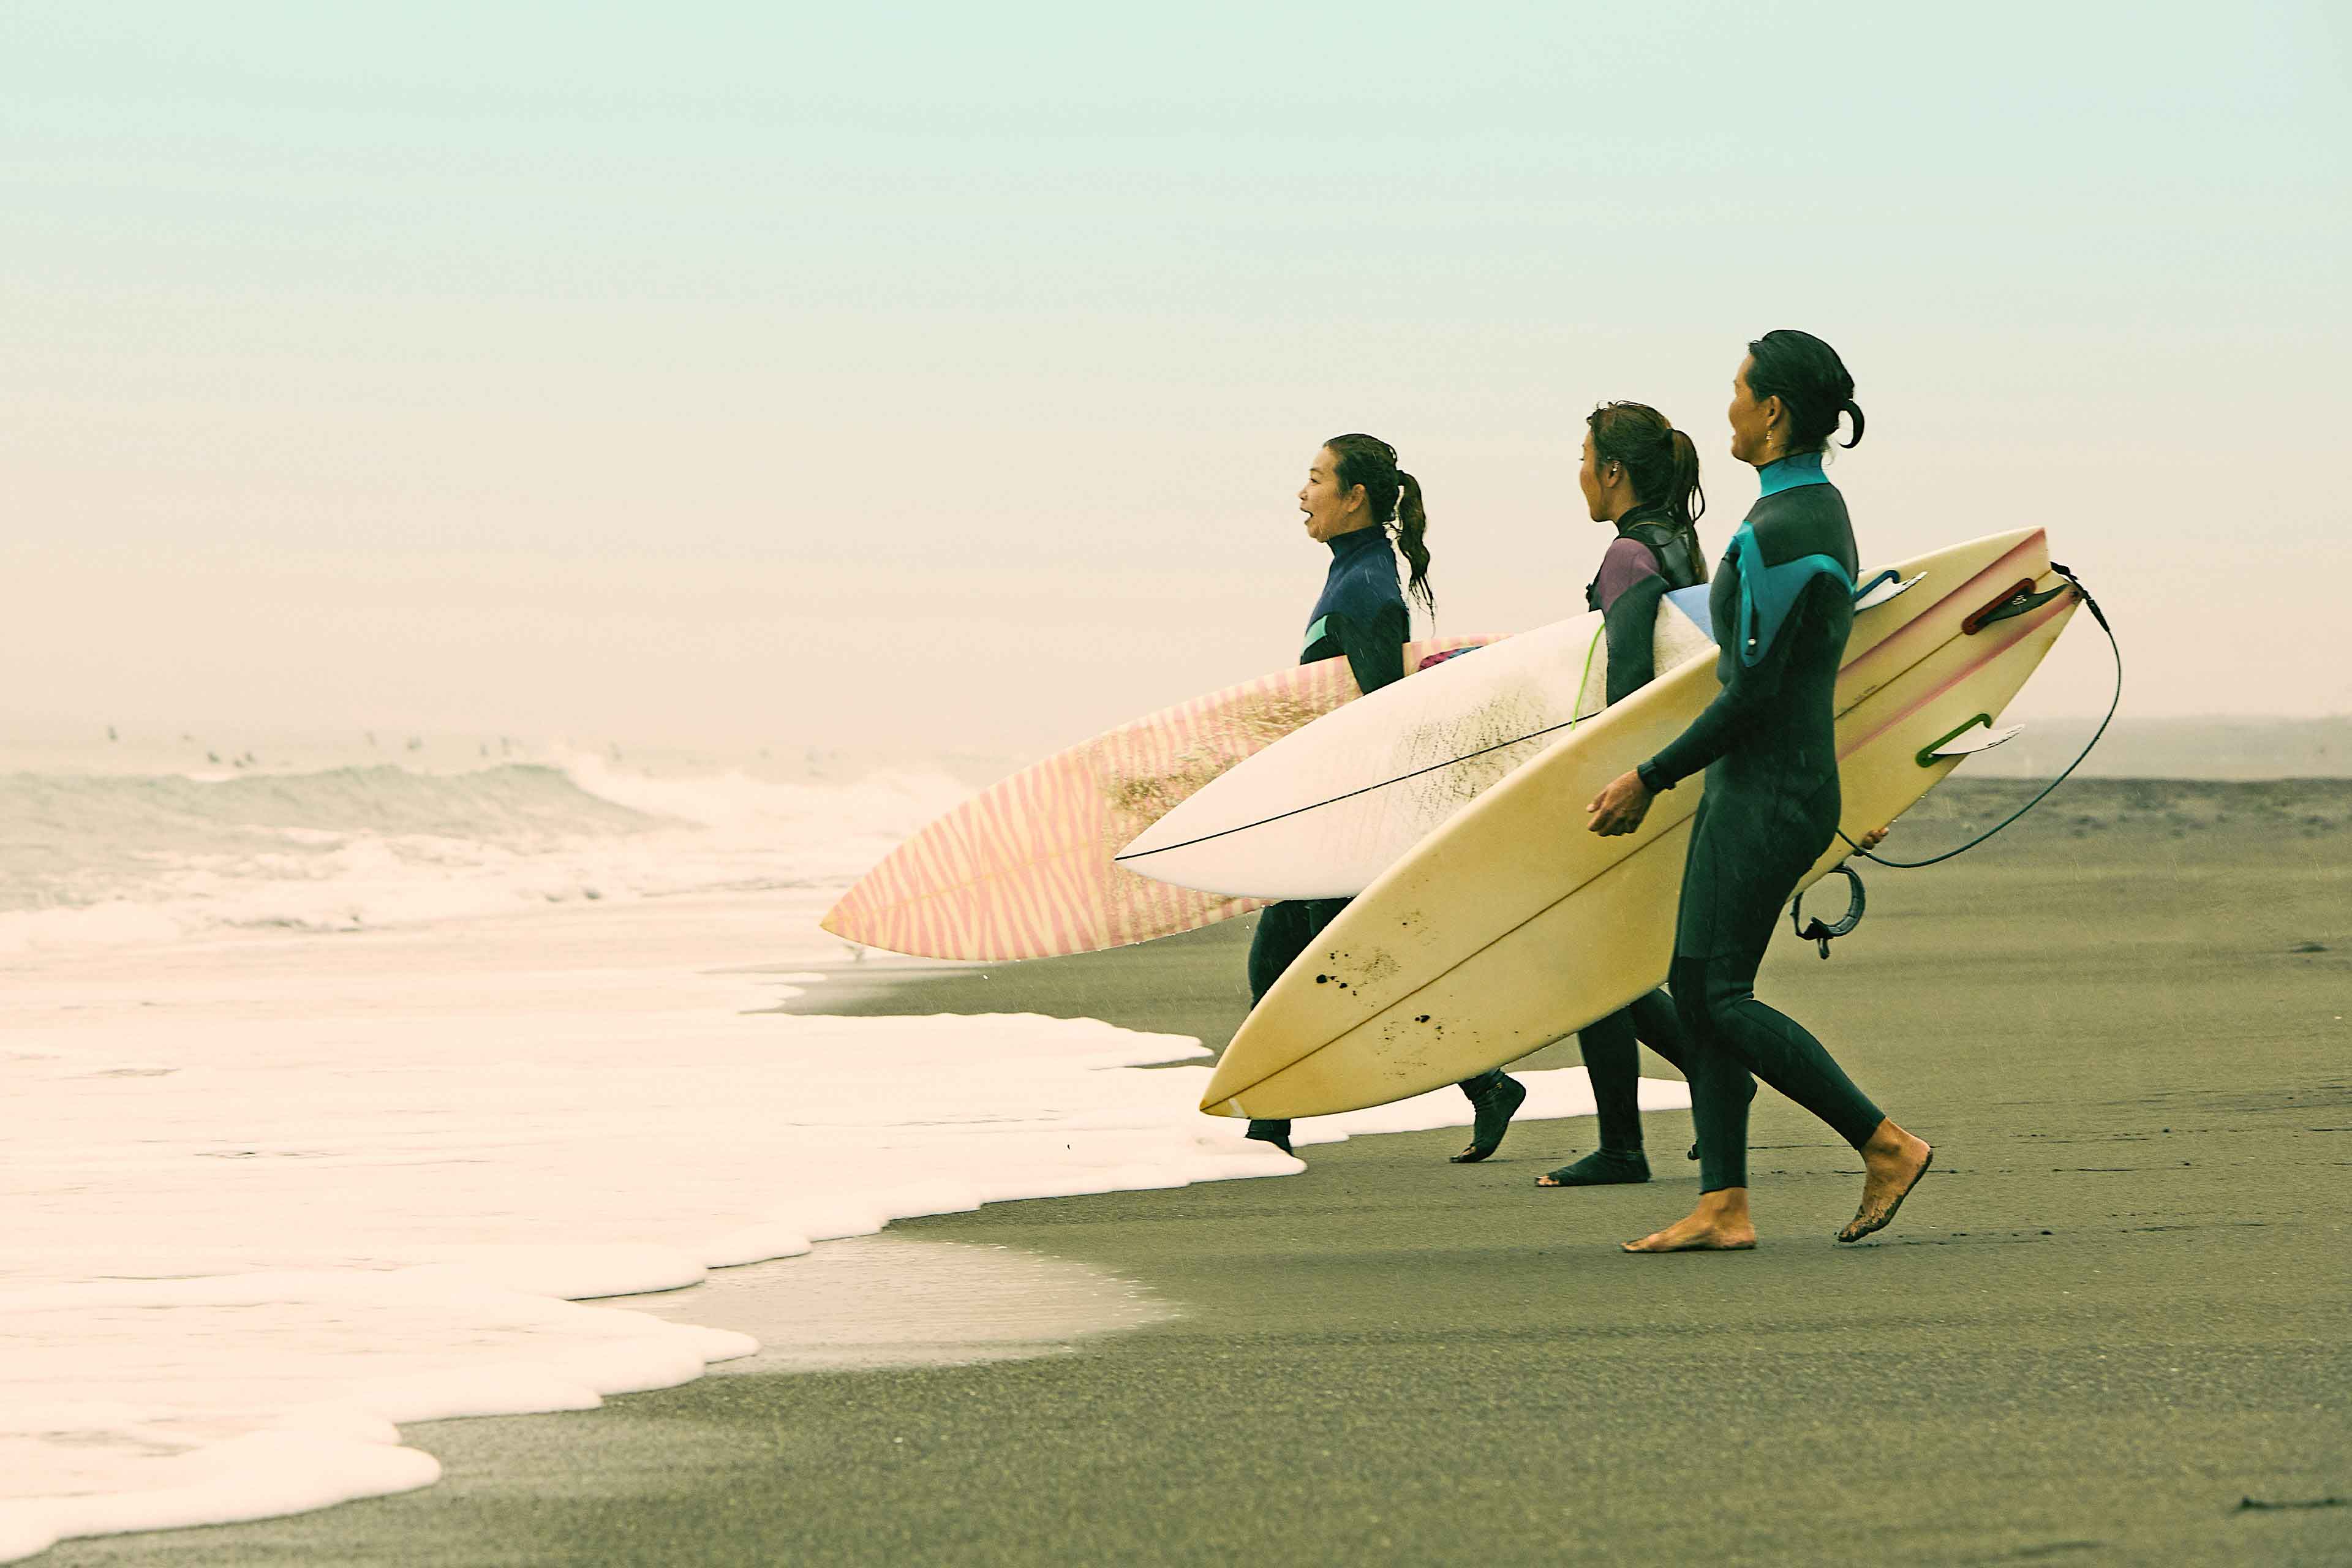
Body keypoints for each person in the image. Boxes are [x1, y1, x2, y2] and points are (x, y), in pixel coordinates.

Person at [1586, 331, 1933, 1250]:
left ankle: (1885, 1144)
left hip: (1772, 791)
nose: (1728, 411)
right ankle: (1723, 1203)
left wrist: (1648, 777)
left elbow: (1757, 695)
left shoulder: (1786, 532)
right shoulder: (1807, 512)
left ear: (1773, 411)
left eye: (1739, 394)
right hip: (1765, 783)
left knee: (1721, 994)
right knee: (1694, 988)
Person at [1243, 434, 1527, 1161]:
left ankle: (1483, 1081)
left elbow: (1383, 716)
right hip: (1322, 814)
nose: (1301, 495)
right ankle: (1269, 1125)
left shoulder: (1367, 589)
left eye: (1313, 480)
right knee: (1282, 965)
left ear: (1354, 496)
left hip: (1347, 821)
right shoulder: (1353, 575)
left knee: (1355, 971)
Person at [1534, 402, 1708, 1188]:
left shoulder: (1629, 555)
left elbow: (1630, 682)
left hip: (1638, 777)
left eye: (1584, 458)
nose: (1578, 473)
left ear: (1613, 471)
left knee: (1594, 967)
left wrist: (1614, 781)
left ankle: (1625, 1145)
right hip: (1678, 768)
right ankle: (1713, 1082)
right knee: (1625, 966)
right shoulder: (1680, 544)